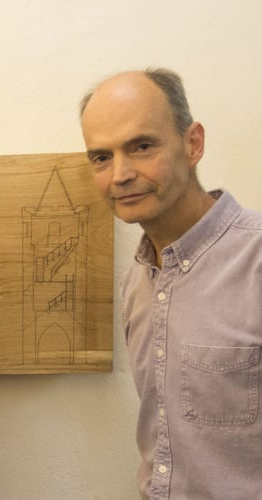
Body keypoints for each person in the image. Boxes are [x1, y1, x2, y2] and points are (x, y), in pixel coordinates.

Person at [80, 68, 262, 499]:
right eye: (101, 157)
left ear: (193, 143)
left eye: (141, 146)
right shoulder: (137, 283)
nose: (120, 174)